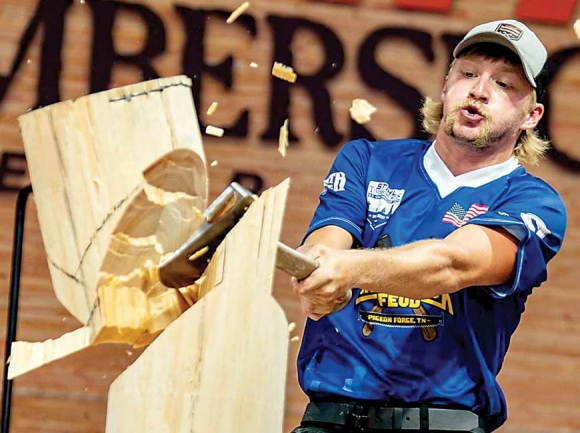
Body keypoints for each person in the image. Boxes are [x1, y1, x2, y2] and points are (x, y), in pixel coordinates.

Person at [290, 19, 567, 433]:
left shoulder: (535, 203)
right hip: (329, 419)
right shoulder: (367, 160)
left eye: (504, 84)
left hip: (442, 423)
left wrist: (345, 269)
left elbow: (451, 265)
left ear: (532, 115)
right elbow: (325, 244)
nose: (479, 90)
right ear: (445, 86)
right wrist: (317, 272)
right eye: (468, 74)